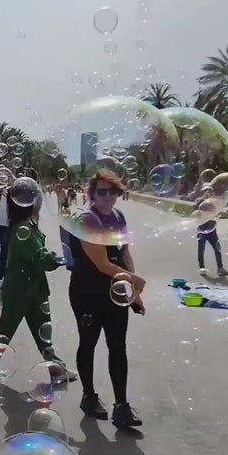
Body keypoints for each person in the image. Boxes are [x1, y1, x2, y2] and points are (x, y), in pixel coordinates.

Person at [68, 169, 146, 427]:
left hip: (115, 289)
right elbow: (102, 264)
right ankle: (88, 396)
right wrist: (134, 280)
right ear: (92, 193)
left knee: (117, 346)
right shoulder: (87, 220)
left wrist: (133, 290)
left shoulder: (118, 216)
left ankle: (121, 406)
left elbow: (124, 253)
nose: (108, 196)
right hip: (87, 291)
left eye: (113, 191)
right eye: (102, 191)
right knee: (88, 342)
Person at [0, 189, 76, 380]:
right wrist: (60, 259)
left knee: (43, 330)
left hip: (33, 286)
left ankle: (56, 369)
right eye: (37, 198)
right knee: (6, 328)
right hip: (20, 288)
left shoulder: (28, 225)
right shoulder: (22, 228)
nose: (41, 201)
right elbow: (40, 257)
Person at [195, 191, 228, 277]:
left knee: (217, 248)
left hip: (211, 229)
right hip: (202, 228)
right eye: (207, 192)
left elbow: (216, 213)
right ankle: (202, 268)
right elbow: (196, 211)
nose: (209, 194)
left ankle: (220, 268)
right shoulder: (200, 202)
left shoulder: (213, 203)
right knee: (201, 249)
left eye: (211, 192)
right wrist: (202, 200)